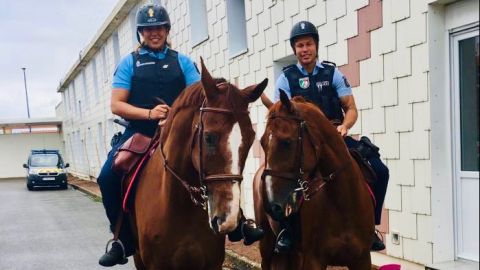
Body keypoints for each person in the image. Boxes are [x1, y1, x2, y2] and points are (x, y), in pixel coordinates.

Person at [97, 4, 263, 267]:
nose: (155, 33)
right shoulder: (129, 62)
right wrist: (149, 114)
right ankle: (122, 239)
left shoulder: (182, 61)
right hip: (140, 131)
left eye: (159, 28)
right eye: (149, 29)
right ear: (141, 32)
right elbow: (117, 104)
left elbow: (200, 94)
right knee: (106, 176)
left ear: (167, 30)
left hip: (179, 134)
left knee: (217, 158)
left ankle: (237, 221)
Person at [272, 21, 389, 253]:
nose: (304, 49)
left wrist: (345, 126)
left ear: (316, 46)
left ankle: (370, 226)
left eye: (308, 44)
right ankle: (288, 229)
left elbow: (351, 108)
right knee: (284, 180)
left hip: (334, 137)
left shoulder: (332, 73)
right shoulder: (285, 79)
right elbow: (279, 114)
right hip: (303, 143)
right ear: (294, 50)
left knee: (380, 169)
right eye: (300, 45)